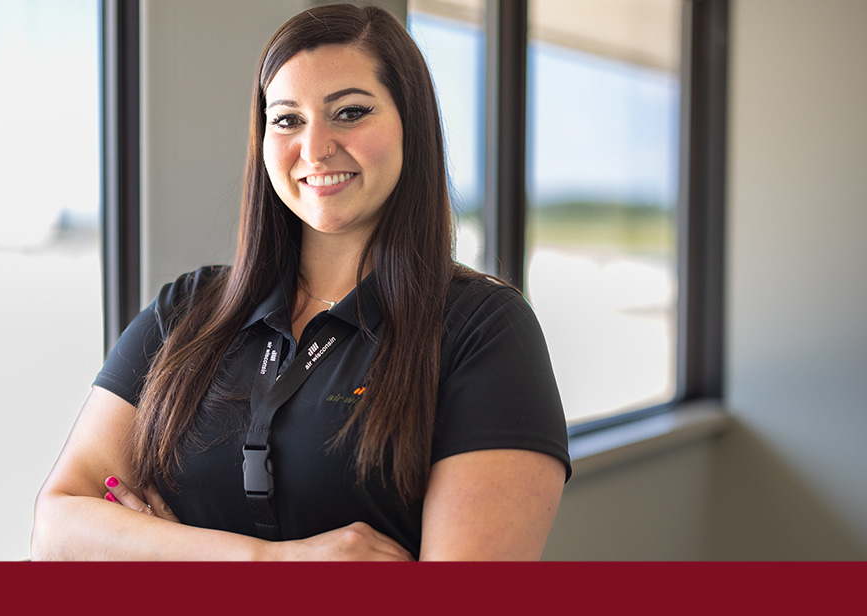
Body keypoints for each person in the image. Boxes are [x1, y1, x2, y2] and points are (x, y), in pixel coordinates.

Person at [31, 3, 569, 561]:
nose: (315, 148)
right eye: (287, 119)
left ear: (412, 124)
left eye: (351, 112)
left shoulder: (484, 330)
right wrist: (277, 564)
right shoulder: (187, 310)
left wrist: (156, 552)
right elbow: (56, 533)